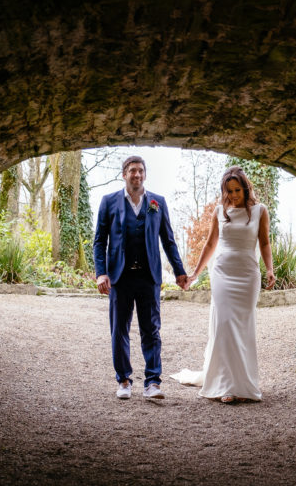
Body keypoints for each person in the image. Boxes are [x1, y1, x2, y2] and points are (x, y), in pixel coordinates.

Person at [171, 166, 276, 403]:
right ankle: (226, 385)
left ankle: (244, 382)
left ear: (246, 188)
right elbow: (210, 244)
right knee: (225, 325)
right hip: (223, 274)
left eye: (237, 190)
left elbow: (265, 243)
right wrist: (196, 273)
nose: (233, 195)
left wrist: (269, 269)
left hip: (248, 274)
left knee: (243, 326)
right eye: (229, 191)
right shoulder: (219, 211)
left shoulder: (260, 211)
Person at [93, 155, 188, 400]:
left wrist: (179, 271)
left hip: (148, 277)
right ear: (124, 174)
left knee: (151, 330)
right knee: (119, 331)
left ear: (145, 174)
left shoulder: (157, 202)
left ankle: (153, 382)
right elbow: (100, 241)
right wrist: (101, 272)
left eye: (141, 171)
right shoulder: (109, 202)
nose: (137, 175)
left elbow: (168, 240)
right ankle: (123, 380)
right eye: (133, 170)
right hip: (119, 278)